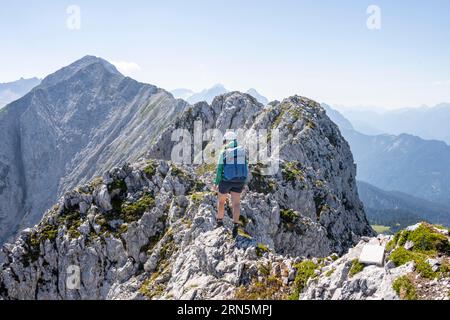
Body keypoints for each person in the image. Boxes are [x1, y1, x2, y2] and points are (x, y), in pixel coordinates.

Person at [213, 131, 248, 238]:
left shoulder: (224, 151)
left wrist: (216, 183)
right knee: (236, 204)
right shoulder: (242, 150)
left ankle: (219, 223)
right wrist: (244, 182)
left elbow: (219, 169)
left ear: (227, 140)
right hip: (239, 181)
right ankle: (235, 227)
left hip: (226, 180)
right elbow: (245, 167)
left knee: (221, 202)